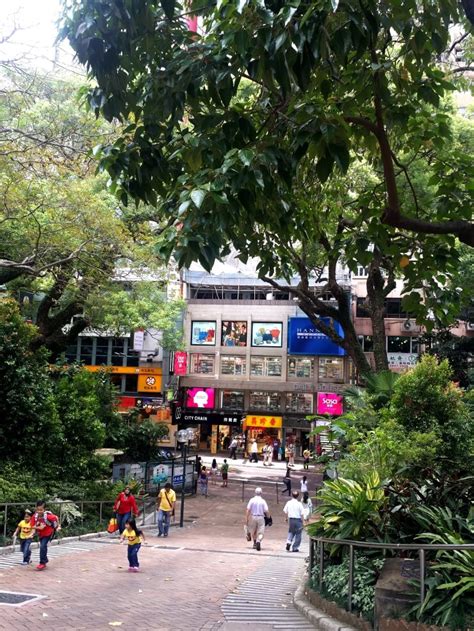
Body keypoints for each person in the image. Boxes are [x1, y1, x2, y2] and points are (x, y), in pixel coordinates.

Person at [30, 500, 60, 570]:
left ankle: (42, 563)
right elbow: (32, 526)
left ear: (44, 509)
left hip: (48, 533)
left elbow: (56, 517)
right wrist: (37, 529)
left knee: (42, 546)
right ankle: (45, 559)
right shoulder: (35, 516)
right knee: (43, 547)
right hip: (41, 534)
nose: (39, 511)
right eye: (38, 509)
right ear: (36, 509)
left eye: (41, 510)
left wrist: (58, 526)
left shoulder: (48, 516)